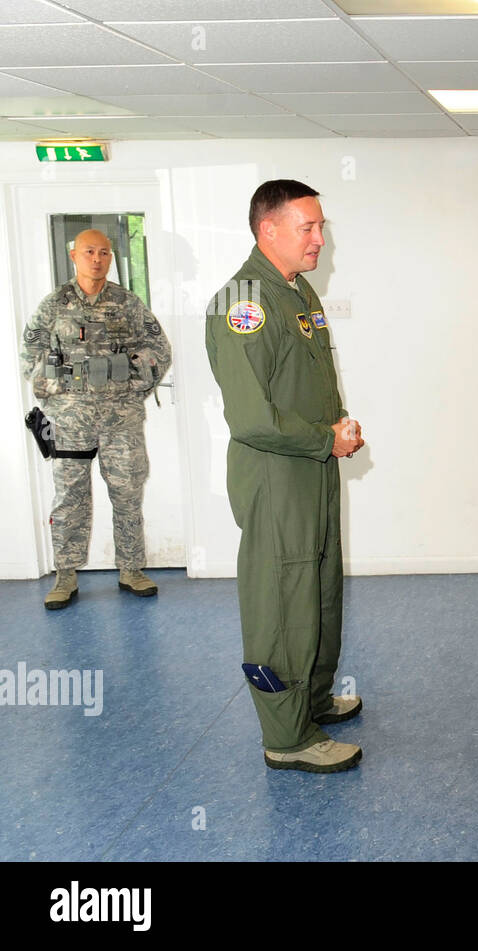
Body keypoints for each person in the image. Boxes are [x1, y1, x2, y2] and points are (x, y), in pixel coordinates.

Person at [205, 180, 365, 774]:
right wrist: (326, 438)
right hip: (277, 477)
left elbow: (315, 381)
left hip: (314, 468)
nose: (320, 239)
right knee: (282, 602)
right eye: (309, 228)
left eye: (320, 226)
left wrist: (339, 428)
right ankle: (286, 736)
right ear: (267, 229)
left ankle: (312, 701)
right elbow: (251, 417)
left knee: (321, 587)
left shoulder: (297, 293)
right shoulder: (242, 302)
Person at [20, 228, 171, 609]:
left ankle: (131, 569)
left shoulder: (127, 303)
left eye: (104, 252)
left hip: (121, 418)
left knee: (127, 492)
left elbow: (158, 348)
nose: (98, 258)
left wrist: (135, 383)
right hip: (69, 420)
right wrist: (53, 387)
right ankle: (65, 575)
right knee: (69, 496)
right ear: (74, 256)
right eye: (90, 251)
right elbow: (30, 350)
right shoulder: (55, 304)